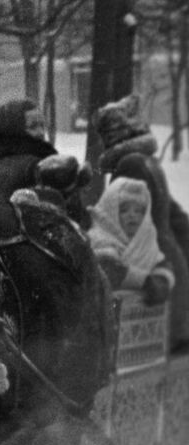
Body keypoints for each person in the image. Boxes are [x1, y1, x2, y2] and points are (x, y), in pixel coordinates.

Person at [96, 94, 189, 349]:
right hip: (168, 260)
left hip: (148, 262)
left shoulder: (131, 165)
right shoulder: (146, 162)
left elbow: (122, 219)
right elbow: (174, 217)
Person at [89, 177, 174, 306]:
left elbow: (162, 264)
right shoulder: (99, 238)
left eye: (139, 211)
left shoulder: (146, 242)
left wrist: (163, 280)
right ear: (110, 213)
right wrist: (145, 281)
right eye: (124, 210)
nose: (132, 215)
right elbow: (109, 269)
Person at [0, 98, 56, 202]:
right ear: (14, 131)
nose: (41, 132)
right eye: (33, 126)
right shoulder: (36, 166)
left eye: (42, 125)